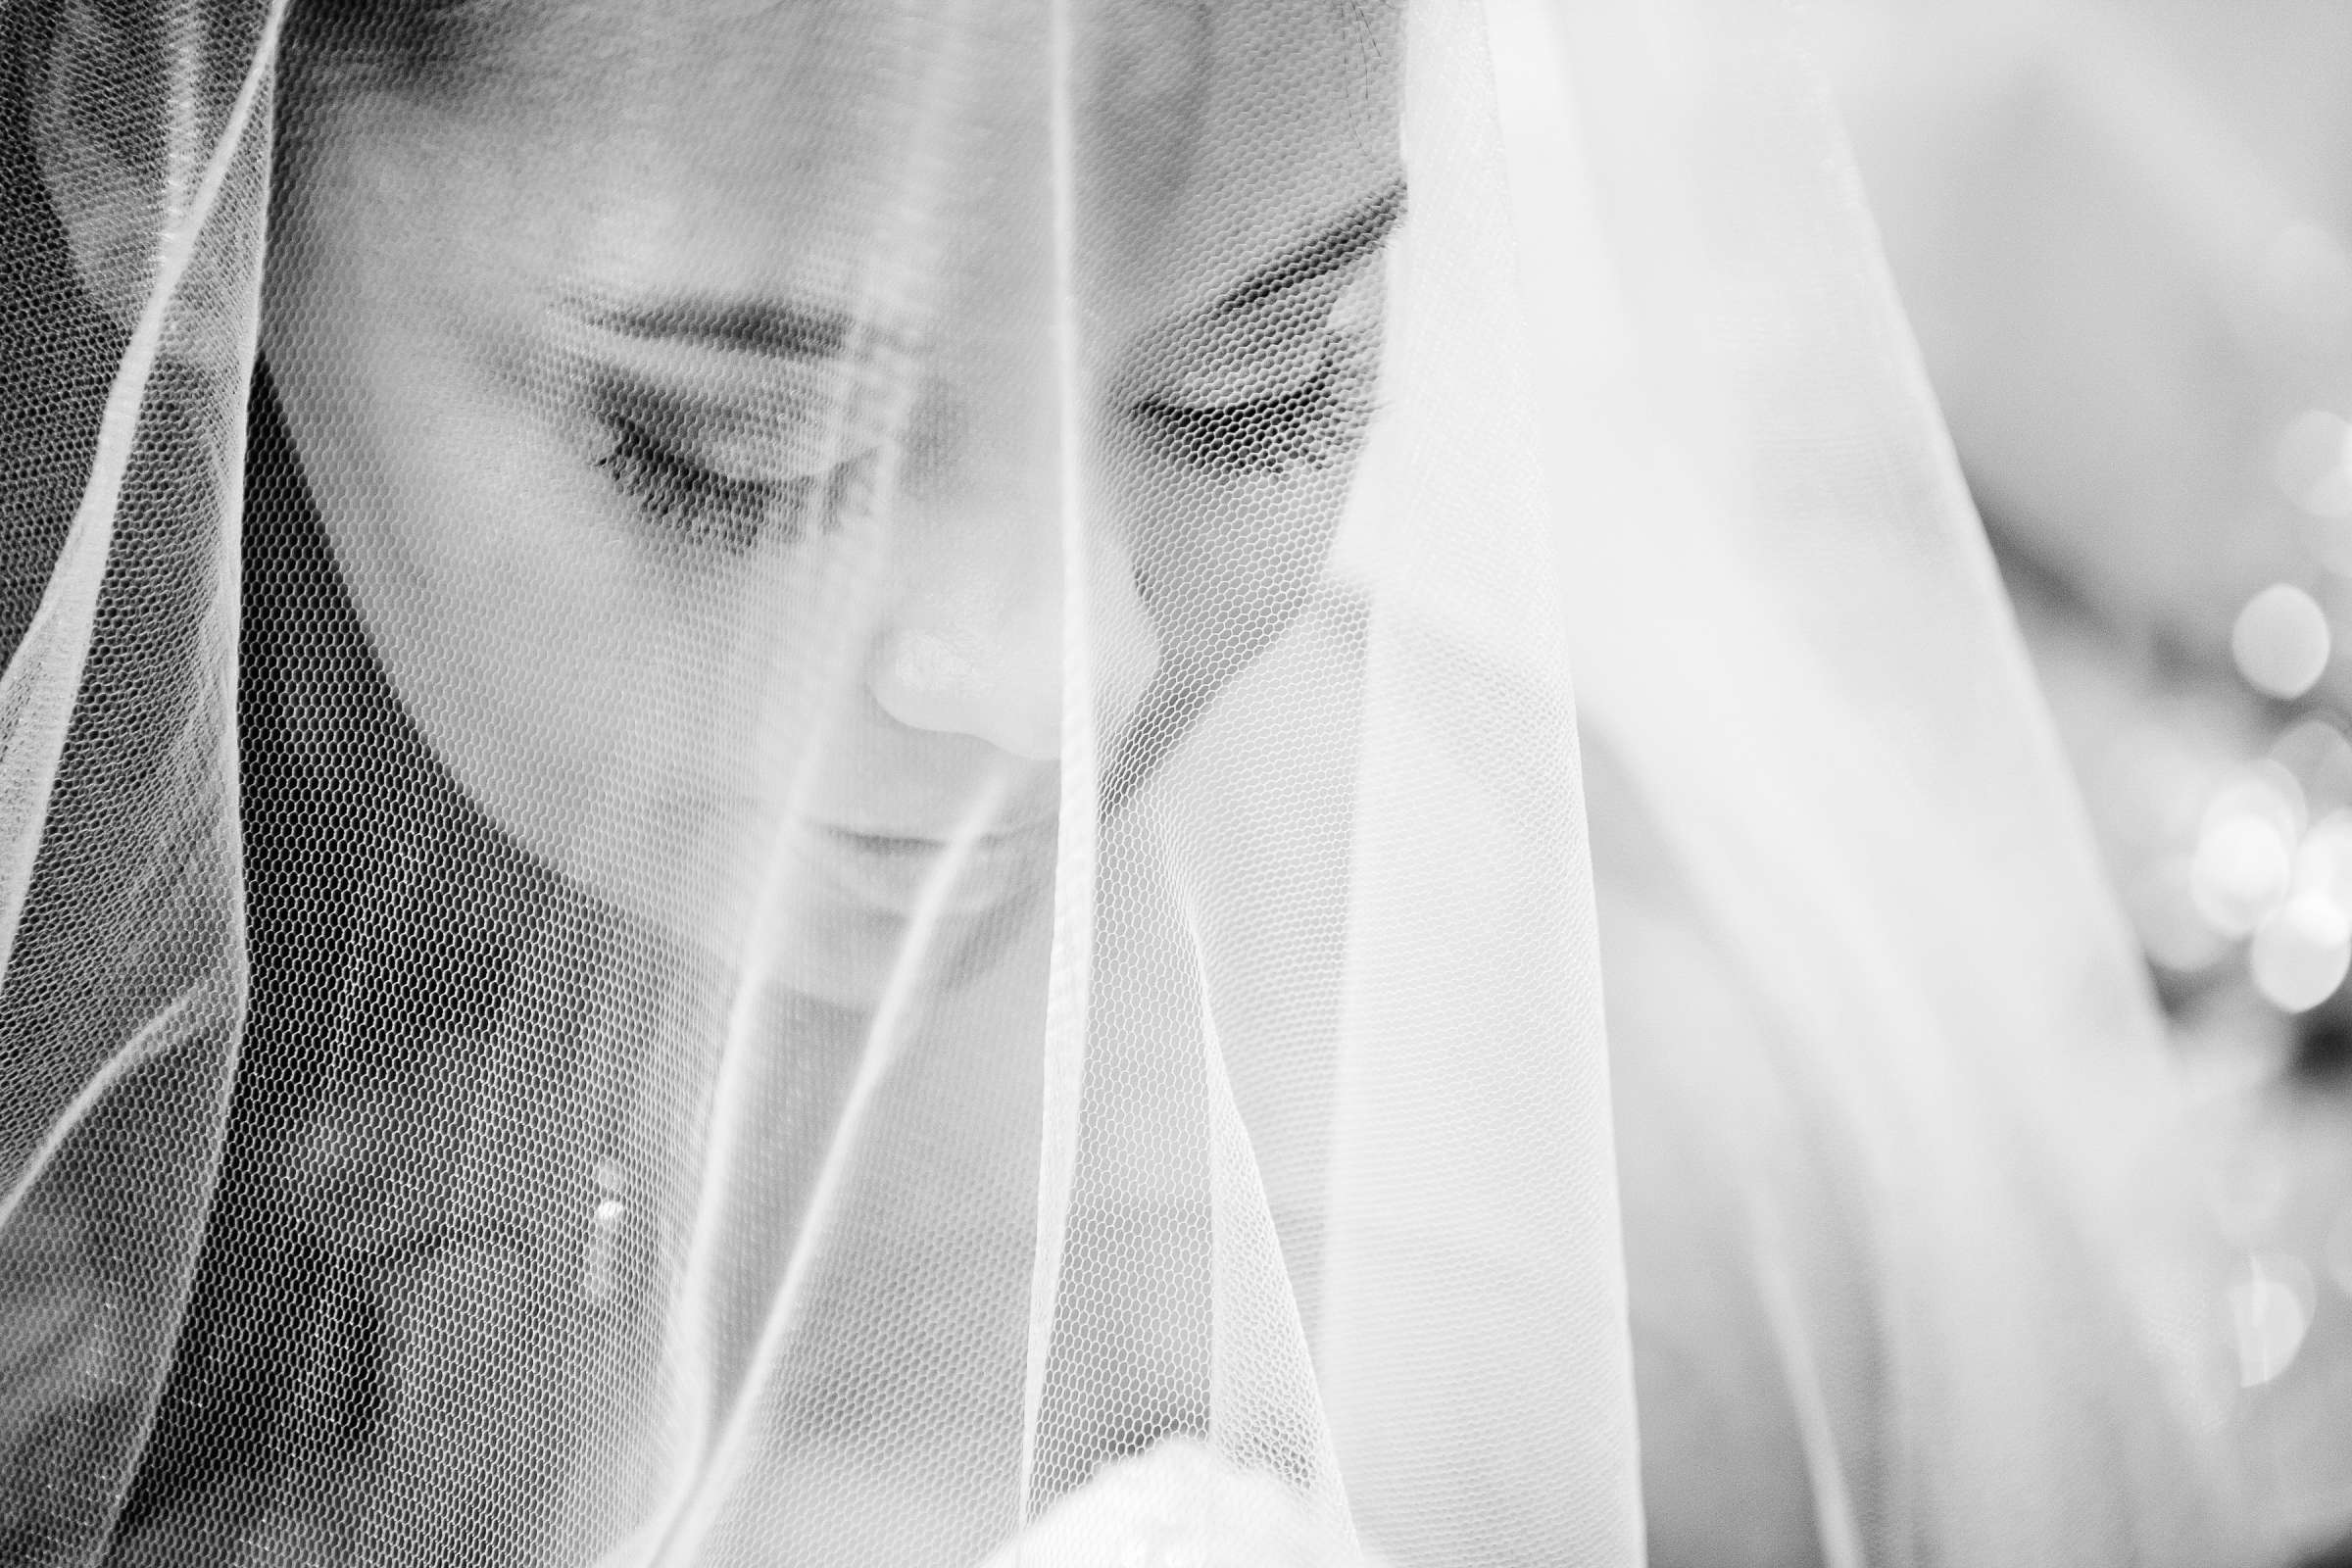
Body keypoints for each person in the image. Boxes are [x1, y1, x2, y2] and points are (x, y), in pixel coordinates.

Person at [0, 0, 2251, 1562]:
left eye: (1261, 386)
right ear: (144, 129)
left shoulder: (1593, 1209)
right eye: (746, 452)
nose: (1069, 671)